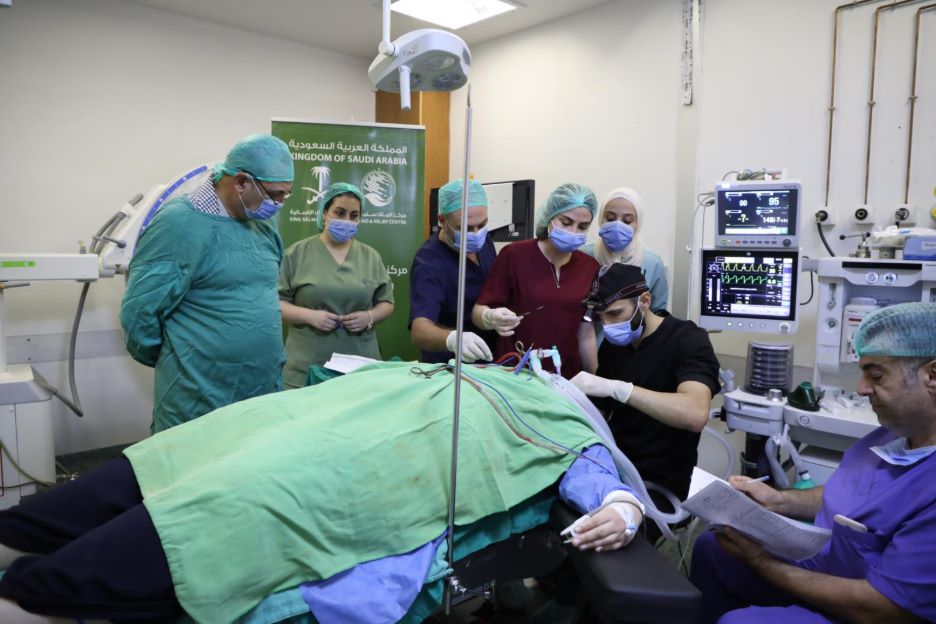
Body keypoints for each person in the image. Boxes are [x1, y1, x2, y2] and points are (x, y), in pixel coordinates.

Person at [0, 362, 645, 624]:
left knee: (229, 497)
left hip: (357, 472)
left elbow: (604, 486)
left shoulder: (564, 426)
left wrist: (622, 505)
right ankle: (23, 533)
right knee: (202, 458)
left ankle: (32, 577)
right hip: (319, 422)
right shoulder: (484, 370)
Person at [690, 302, 936, 624]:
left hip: (869, 606)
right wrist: (780, 500)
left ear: (932, 375)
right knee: (715, 547)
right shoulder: (888, 438)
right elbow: (851, 494)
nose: (861, 388)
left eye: (876, 375)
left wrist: (760, 562)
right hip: (832, 566)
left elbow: (882, 607)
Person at [120, 134, 293, 433]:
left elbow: (263, 288)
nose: (278, 204)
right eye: (275, 195)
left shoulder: (261, 221)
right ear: (240, 182)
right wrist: (183, 359)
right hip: (197, 395)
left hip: (261, 387)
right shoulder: (180, 224)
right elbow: (139, 314)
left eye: (285, 196)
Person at [571, 263, 720, 533]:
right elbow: (601, 413)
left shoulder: (687, 340)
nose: (608, 324)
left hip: (660, 483)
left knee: (605, 546)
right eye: (601, 317)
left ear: (645, 301)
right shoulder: (617, 348)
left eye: (616, 313)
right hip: (614, 469)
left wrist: (621, 389)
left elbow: (695, 414)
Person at [472, 183, 600, 379]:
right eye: (566, 222)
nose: (573, 231)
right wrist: (489, 317)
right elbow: (478, 312)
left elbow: (586, 332)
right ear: (550, 216)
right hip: (516, 371)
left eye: (583, 227)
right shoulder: (514, 255)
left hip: (566, 374)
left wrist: (595, 381)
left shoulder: (590, 267)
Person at [279, 182, 394, 389]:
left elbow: (386, 303)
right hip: (306, 369)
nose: (346, 220)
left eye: (353, 215)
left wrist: (368, 317)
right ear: (325, 214)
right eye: (339, 213)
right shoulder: (296, 254)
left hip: (360, 368)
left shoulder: (370, 256)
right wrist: (310, 316)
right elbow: (275, 304)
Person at [409, 178, 496, 364]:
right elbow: (419, 330)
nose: (476, 234)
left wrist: (493, 316)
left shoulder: (485, 242)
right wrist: (453, 339)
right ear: (442, 220)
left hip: (491, 359)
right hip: (449, 365)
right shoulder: (429, 263)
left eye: (482, 225)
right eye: (464, 228)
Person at [581, 187, 668, 311]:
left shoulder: (652, 263)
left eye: (627, 221)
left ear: (638, 224)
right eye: (610, 218)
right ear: (601, 219)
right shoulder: (584, 255)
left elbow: (658, 312)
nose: (618, 225)